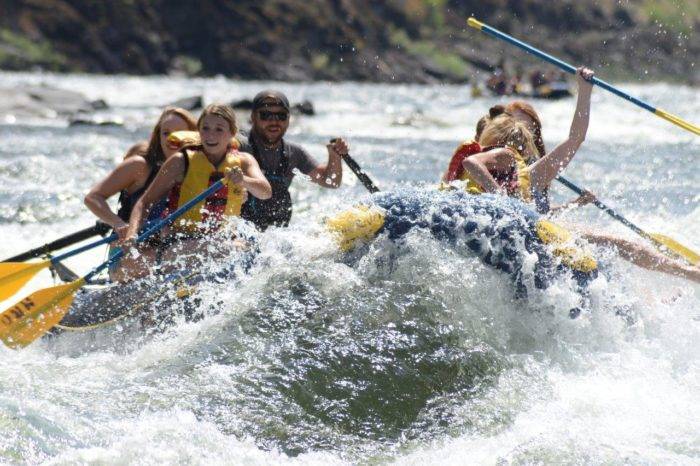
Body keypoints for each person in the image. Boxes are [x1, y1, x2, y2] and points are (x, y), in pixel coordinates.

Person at [125, 104, 272, 267]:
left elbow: (265, 192)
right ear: (199, 131)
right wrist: (132, 234)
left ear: (232, 133)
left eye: (219, 129)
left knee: (253, 251)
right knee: (220, 249)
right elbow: (144, 202)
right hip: (180, 241)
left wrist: (244, 180)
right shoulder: (180, 161)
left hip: (225, 240)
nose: (211, 135)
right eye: (205, 128)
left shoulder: (244, 161)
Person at [84, 107, 197, 281]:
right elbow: (93, 197)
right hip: (126, 257)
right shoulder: (140, 167)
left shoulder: (198, 173)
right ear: (157, 137)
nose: (171, 139)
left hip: (169, 250)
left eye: (179, 133)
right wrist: (118, 223)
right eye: (165, 133)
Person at [239, 90, 347, 230]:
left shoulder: (294, 154)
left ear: (289, 119)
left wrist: (335, 157)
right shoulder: (237, 146)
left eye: (281, 115)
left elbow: (331, 181)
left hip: (275, 239)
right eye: (265, 115)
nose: (274, 121)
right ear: (253, 117)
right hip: (238, 233)